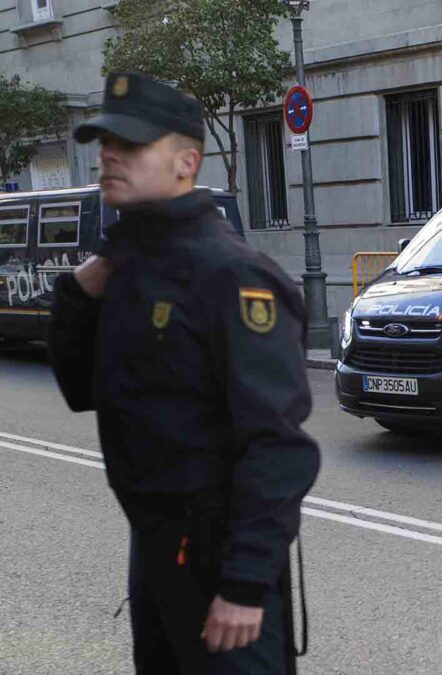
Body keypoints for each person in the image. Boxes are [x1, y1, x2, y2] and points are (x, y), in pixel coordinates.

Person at [47, 72, 320, 673]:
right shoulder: (128, 266)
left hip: (220, 561)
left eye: (132, 144)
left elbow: (277, 446)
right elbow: (78, 389)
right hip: (154, 549)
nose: (110, 156)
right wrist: (80, 289)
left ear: (186, 161)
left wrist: (246, 583)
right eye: (104, 145)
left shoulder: (230, 276)